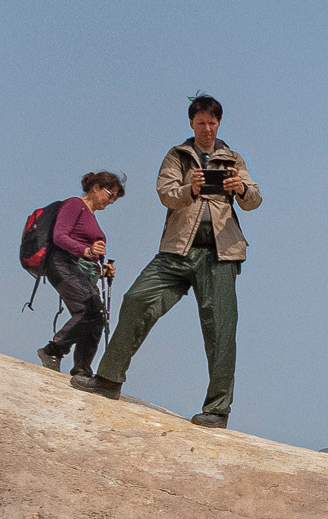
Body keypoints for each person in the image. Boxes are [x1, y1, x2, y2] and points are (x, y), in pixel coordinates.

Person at [73, 95, 262, 428]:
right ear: (192, 123)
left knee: (221, 329)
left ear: (219, 124)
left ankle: (217, 410)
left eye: (213, 123)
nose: (208, 128)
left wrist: (241, 188)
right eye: (202, 122)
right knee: (136, 300)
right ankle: (109, 379)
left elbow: (255, 199)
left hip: (220, 254)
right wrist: (191, 187)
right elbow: (165, 193)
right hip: (177, 249)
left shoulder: (232, 158)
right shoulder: (177, 156)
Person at [36, 172, 123, 380]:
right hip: (60, 262)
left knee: (97, 315)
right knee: (90, 310)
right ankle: (53, 350)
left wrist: (102, 270)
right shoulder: (74, 204)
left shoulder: (90, 215)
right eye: (110, 195)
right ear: (95, 188)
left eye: (114, 199)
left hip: (75, 267)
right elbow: (59, 236)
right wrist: (88, 251)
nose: (110, 201)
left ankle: (82, 369)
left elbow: (86, 255)